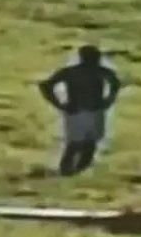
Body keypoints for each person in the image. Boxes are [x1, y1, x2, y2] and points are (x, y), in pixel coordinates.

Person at [38, 45, 122, 176]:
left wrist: (59, 104)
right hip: (87, 111)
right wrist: (109, 100)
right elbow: (115, 83)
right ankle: (69, 172)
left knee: (82, 144)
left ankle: (72, 172)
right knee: (81, 145)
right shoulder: (98, 71)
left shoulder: (72, 72)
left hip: (80, 111)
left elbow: (46, 86)